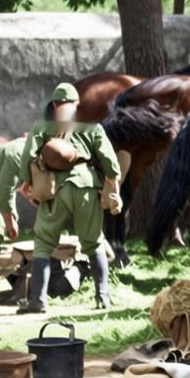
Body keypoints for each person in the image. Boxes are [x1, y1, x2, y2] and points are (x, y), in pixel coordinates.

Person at [17, 83, 122, 313]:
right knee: (94, 242)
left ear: (55, 105)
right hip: (86, 186)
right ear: (76, 105)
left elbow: (27, 157)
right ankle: (103, 297)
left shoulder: (43, 127)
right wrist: (113, 184)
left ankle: (38, 301)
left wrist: (26, 183)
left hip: (56, 189)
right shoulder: (92, 128)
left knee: (43, 244)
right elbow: (109, 160)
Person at [0, 137, 26, 276]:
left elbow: (9, 187)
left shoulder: (26, 150)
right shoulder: (18, 155)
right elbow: (3, 194)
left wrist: (12, 217)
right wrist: (10, 222)